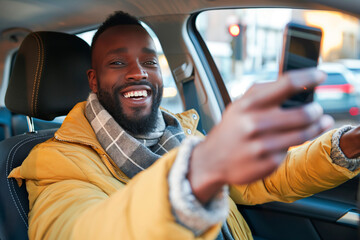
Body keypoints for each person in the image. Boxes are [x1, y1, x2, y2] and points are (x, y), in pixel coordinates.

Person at [9, 11, 360, 240]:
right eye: (118, 62)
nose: (138, 72)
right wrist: (199, 170)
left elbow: (264, 179)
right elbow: (79, 231)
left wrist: (349, 145)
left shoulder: (182, 134)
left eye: (149, 60)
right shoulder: (54, 163)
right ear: (94, 80)